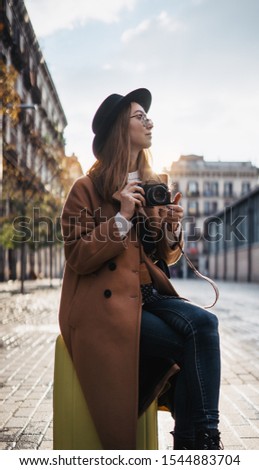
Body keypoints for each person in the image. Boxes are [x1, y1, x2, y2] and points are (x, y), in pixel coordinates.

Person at [58, 88, 222, 450]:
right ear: (121, 128)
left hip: (148, 296)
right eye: (139, 116)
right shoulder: (86, 189)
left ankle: (203, 438)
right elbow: (78, 257)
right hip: (104, 307)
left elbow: (169, 257)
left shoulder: (154, 184)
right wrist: (121, 218)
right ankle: (198, 445)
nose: (149, 121)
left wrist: (172, 227)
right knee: (190, 344)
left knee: (206, 323)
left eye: (147, 116)